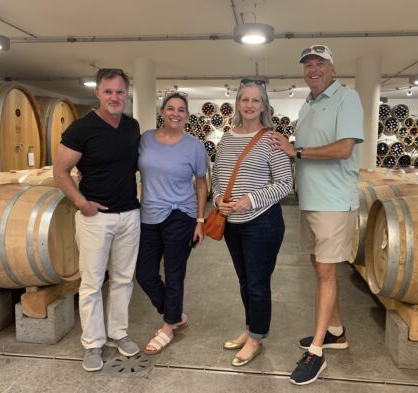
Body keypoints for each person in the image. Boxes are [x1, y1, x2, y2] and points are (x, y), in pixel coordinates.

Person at [269, 44, 364, 385]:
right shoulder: (307, 105)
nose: (313, 69)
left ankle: (318, 352)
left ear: (332, 68)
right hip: (310, 200)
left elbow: (343, 149)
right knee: (319, 268)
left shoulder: (346, 98)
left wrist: (297, 150)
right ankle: (336, 332)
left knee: (325, 271)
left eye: (320, 63)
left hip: (334, 202)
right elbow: (301, 155)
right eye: (308, 64)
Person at [53, 68, 141, 372]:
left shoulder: (132, 126)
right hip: (96, 218)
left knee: (123, 279)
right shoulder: (81, 129)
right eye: (108, 91)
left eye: (119, 92)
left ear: (127, 93)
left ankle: (119, 333)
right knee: (91, 282)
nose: (114, 97)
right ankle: (92, 343)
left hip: (130, 214)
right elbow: (60, 171)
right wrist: (81, 203)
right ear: (98, 93)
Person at [212, 80, 293, 367]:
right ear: (237, 103)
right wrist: (219, 198)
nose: (249, 105)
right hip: (232, 223)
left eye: (255, 100)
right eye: (244, 99)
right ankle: (250, 329)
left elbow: (286, 184)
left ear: (264, 105)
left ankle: (257, 337)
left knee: (258, 284)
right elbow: (217, 177)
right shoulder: (227, 138)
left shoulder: (271, 139)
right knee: (245, 281)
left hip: (263, 223)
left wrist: (250, 199)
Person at [136, 92, 208, 355]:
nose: (175, 113)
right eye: (170, 108)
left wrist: (200, 221)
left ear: (186, 116)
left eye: (181, 110)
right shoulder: (145, 139)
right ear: (162, 111)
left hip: (181, 214)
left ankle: (168, 327)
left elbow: (201, 184)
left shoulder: (195, 147)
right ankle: (174, 313)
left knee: (175, 273)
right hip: (148, 214)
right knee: (144, 274)